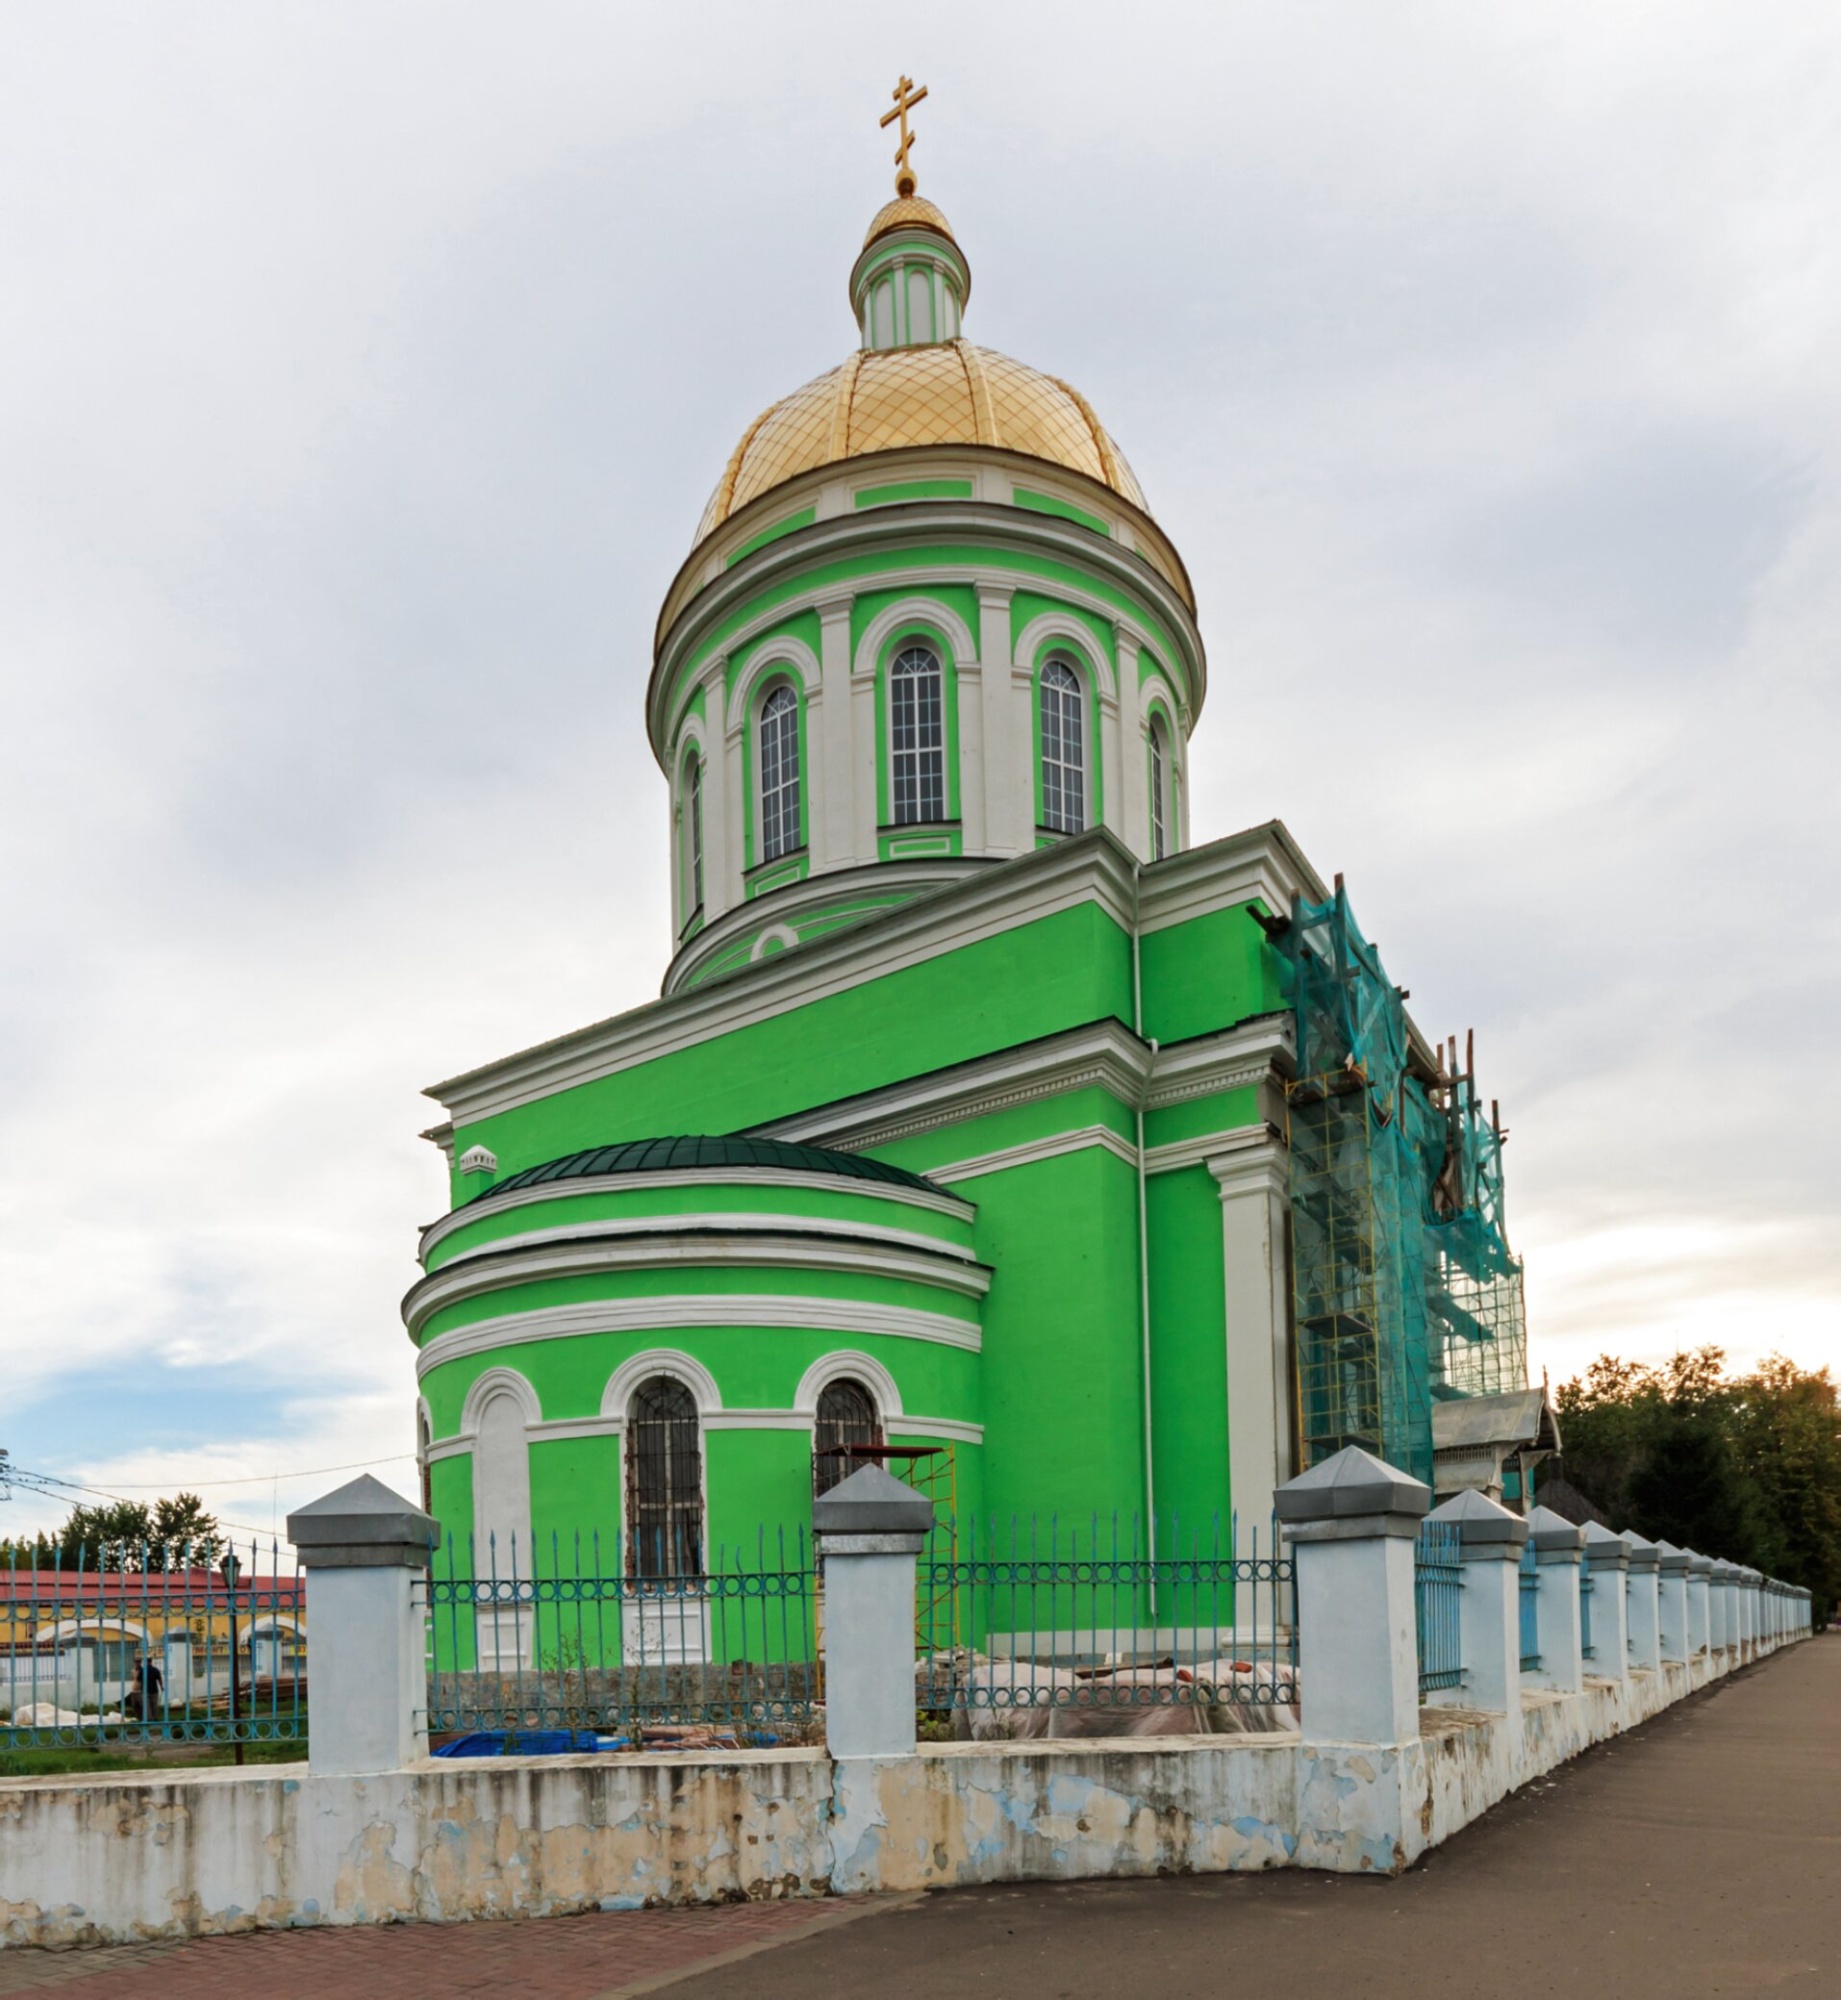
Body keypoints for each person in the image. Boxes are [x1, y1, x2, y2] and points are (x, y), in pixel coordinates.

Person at [128, 1650, 163, 1722]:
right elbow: (159, 1679)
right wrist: (161, 1687)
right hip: (154, 1690)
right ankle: (155, 1718)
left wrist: (138, 1688)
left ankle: (150, 1718)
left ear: (146, 1662)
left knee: (147, 1706)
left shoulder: (143, 1670)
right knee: (154, 1705)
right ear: (151, 1661)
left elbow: (138, 1680)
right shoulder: (155, 1670)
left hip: (145, 1691)